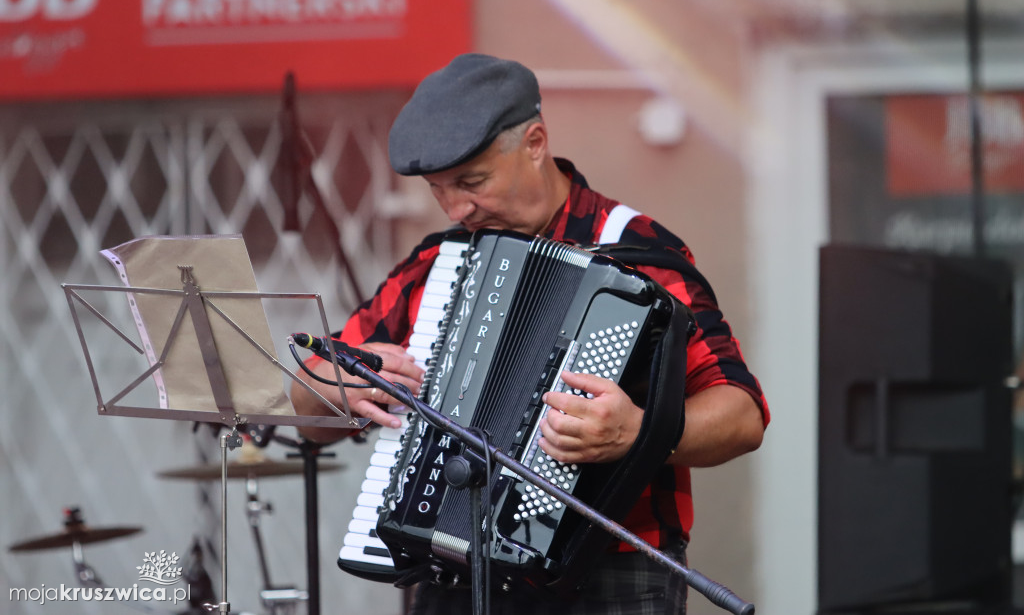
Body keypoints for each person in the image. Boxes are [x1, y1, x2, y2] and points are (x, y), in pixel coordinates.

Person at [289, 53, 769, 615]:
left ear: (535, 142)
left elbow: (742, 415)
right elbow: (304, 404)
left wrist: (640, 433)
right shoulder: (437, 267)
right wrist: (333, 388)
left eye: (473, 181)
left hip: (611, 573)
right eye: (439, 190)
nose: (457, 208)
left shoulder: (639, 255)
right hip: (449, 575)